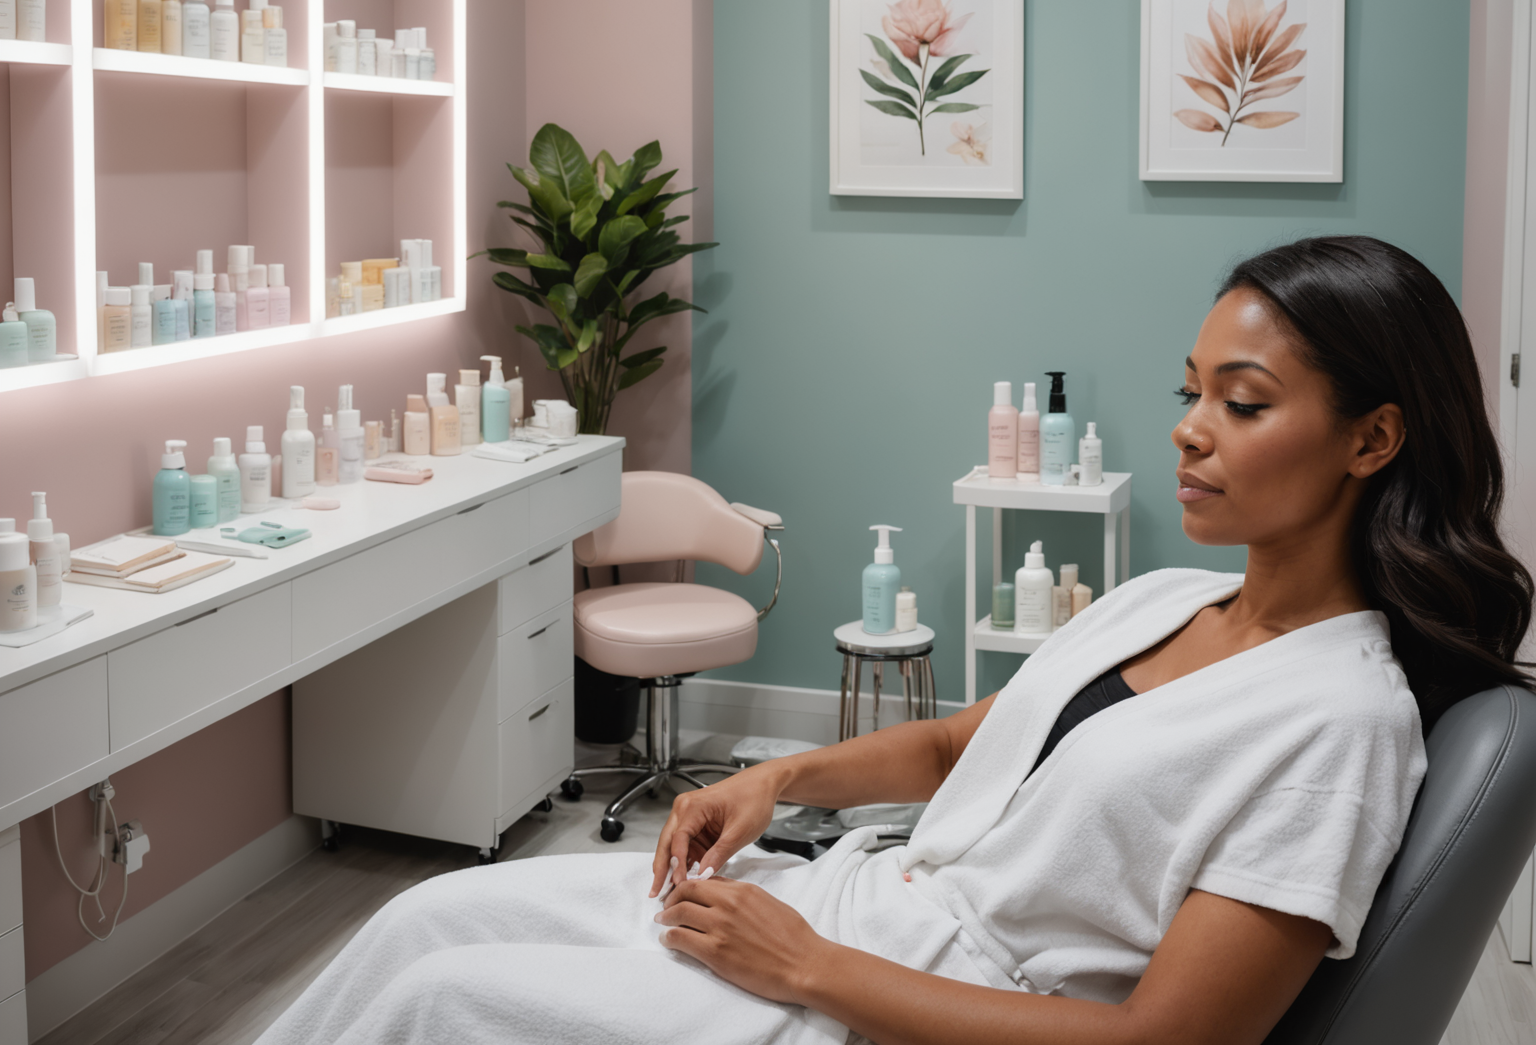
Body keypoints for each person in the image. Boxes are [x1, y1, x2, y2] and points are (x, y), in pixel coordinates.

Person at [258, 235, 1532, 1045]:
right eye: (1187, 391)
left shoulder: (1336, 726)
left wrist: (811, 971)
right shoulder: (1160, 599)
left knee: (437, 1009)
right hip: (850, 901)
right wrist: (773, 779)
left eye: (1242, 402)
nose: (1192, 429)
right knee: (423, 922)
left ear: (1374, 439)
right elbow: (963, 747)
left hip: (895, 1002)